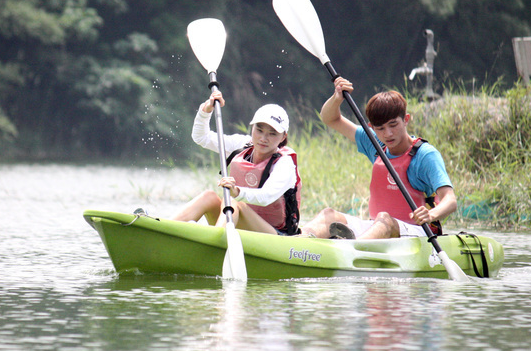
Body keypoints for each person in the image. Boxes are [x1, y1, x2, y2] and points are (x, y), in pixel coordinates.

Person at [299, 77, 456, 240]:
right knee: (329, 215)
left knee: (384, 220)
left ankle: (350, 249)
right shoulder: (375, 143)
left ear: (406, 120)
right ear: (371, 127)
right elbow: (330, 119)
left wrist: (431, 214)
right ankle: (299, 242)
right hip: (378, 227)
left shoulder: (425, 155)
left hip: (417, 232)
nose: (388, 134)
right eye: (380, 128)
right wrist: (337, 97)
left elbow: (450, 200)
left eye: (393, 125)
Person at [172, 90, 302, 235]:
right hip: (238, 223)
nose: (263, 138)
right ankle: (167, 229)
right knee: (208, 196)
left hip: (275, 235)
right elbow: (201, 137)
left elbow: (266, 197)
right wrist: (206, 109)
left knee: (235, 202)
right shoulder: (241, 145)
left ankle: (212, 240)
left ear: (283, 136)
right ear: (252, 127)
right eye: (259, 130)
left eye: (272, 134)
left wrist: (237, 192)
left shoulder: (284, 164)